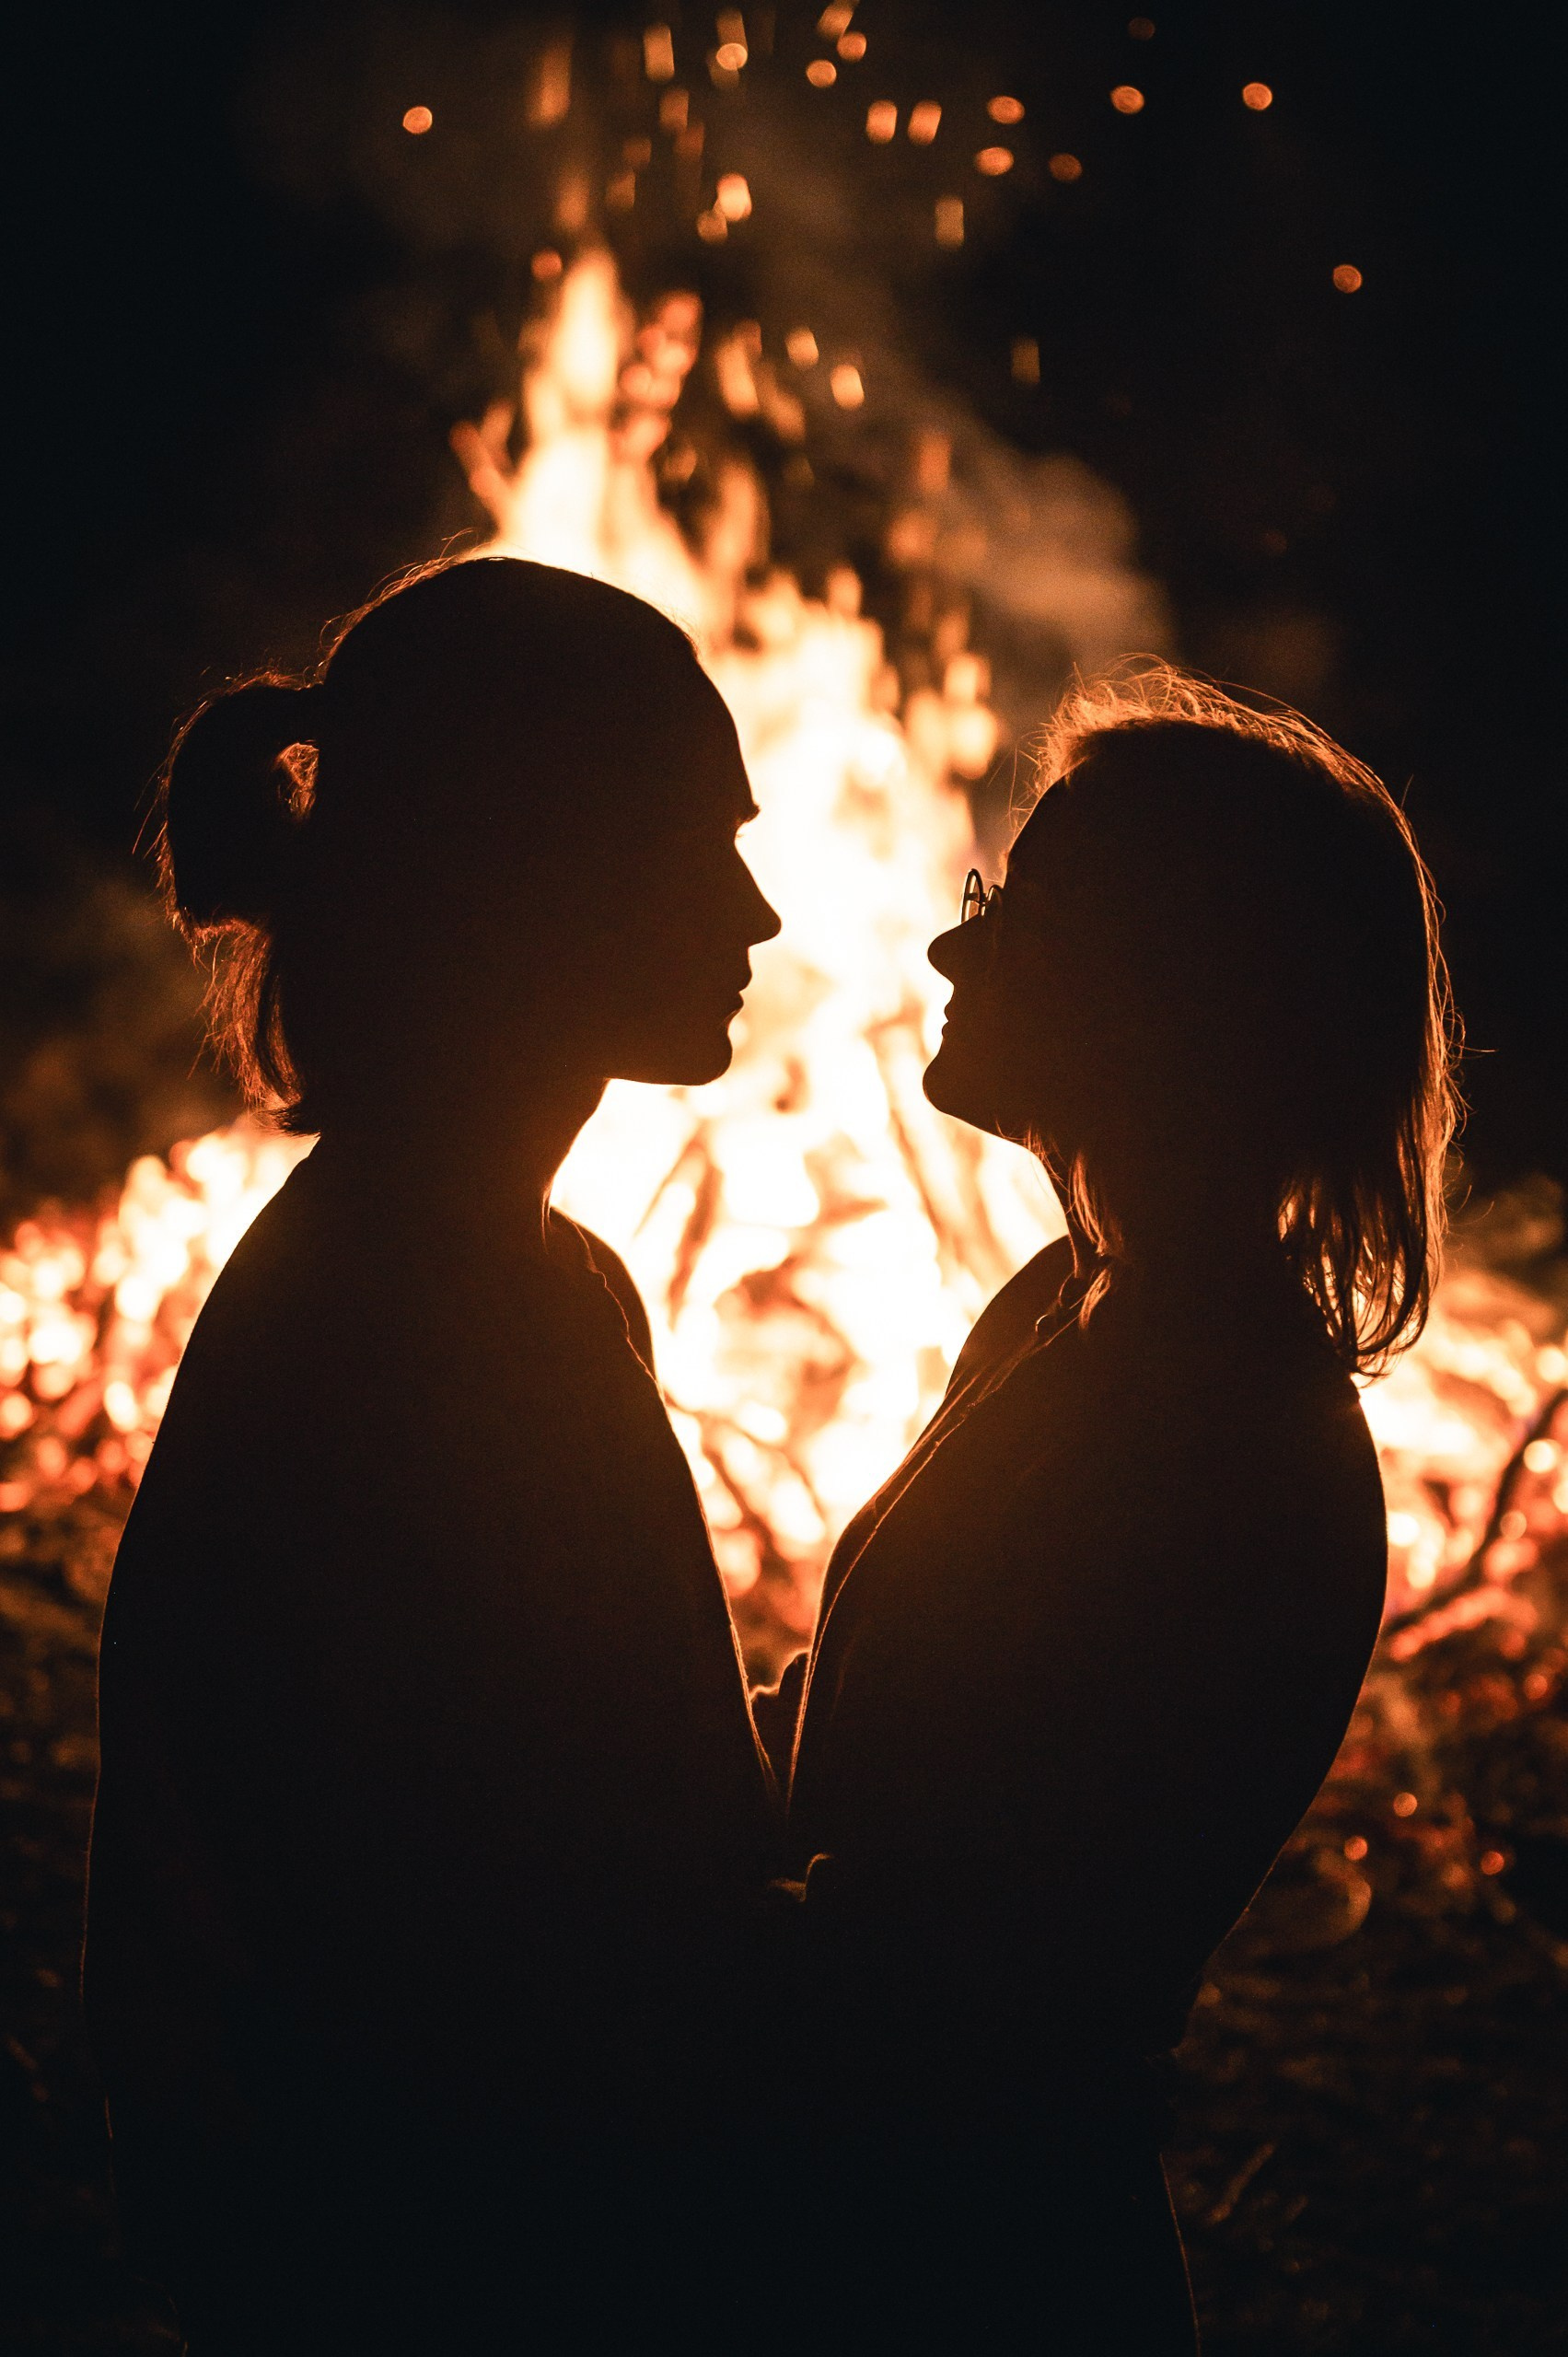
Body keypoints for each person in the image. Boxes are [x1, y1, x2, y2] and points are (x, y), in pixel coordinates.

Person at [83, 557, 782, 2350]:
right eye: (703, 843)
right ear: (537, 868)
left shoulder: (512, 1263)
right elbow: (523, 1911)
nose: (762, 911)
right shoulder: (430, 1304)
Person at [784, 668, 1458, 2351]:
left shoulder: (1221, 1431)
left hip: (973, 2262)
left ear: (1169, 992)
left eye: (1020, 911)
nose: (955, 947)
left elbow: (970, 1948)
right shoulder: (1064, 1305)